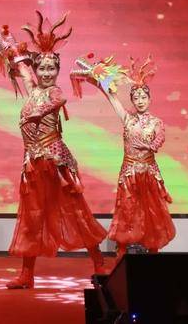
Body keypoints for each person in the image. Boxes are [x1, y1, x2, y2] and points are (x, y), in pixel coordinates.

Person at [0, 11, 107, 289]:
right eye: (42, 68)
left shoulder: (55, 92)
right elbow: (21, 66)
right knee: (32, 217)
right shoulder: (33, 88)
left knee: (75, 211)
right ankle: (27, 275)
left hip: (55, 162)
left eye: (51, 69)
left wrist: (34, 112)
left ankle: (99, 264)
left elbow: (57, 101)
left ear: (57, 71)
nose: (46, 73)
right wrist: (7, 42)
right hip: (32, 165)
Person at [74, 54, 175, 258]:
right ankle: (120, 256)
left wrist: (149, 145)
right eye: (136, 98)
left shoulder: (156, 122)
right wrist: (99, 80)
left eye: (143, 97)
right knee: (126, 212)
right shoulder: (127, 118)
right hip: (129, 174)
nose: (140, 101)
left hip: (149, 174)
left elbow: (159, 140)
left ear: (150, 99)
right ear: (132, 100)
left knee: (152, 213)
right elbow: (111, 97)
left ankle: (153, 254)